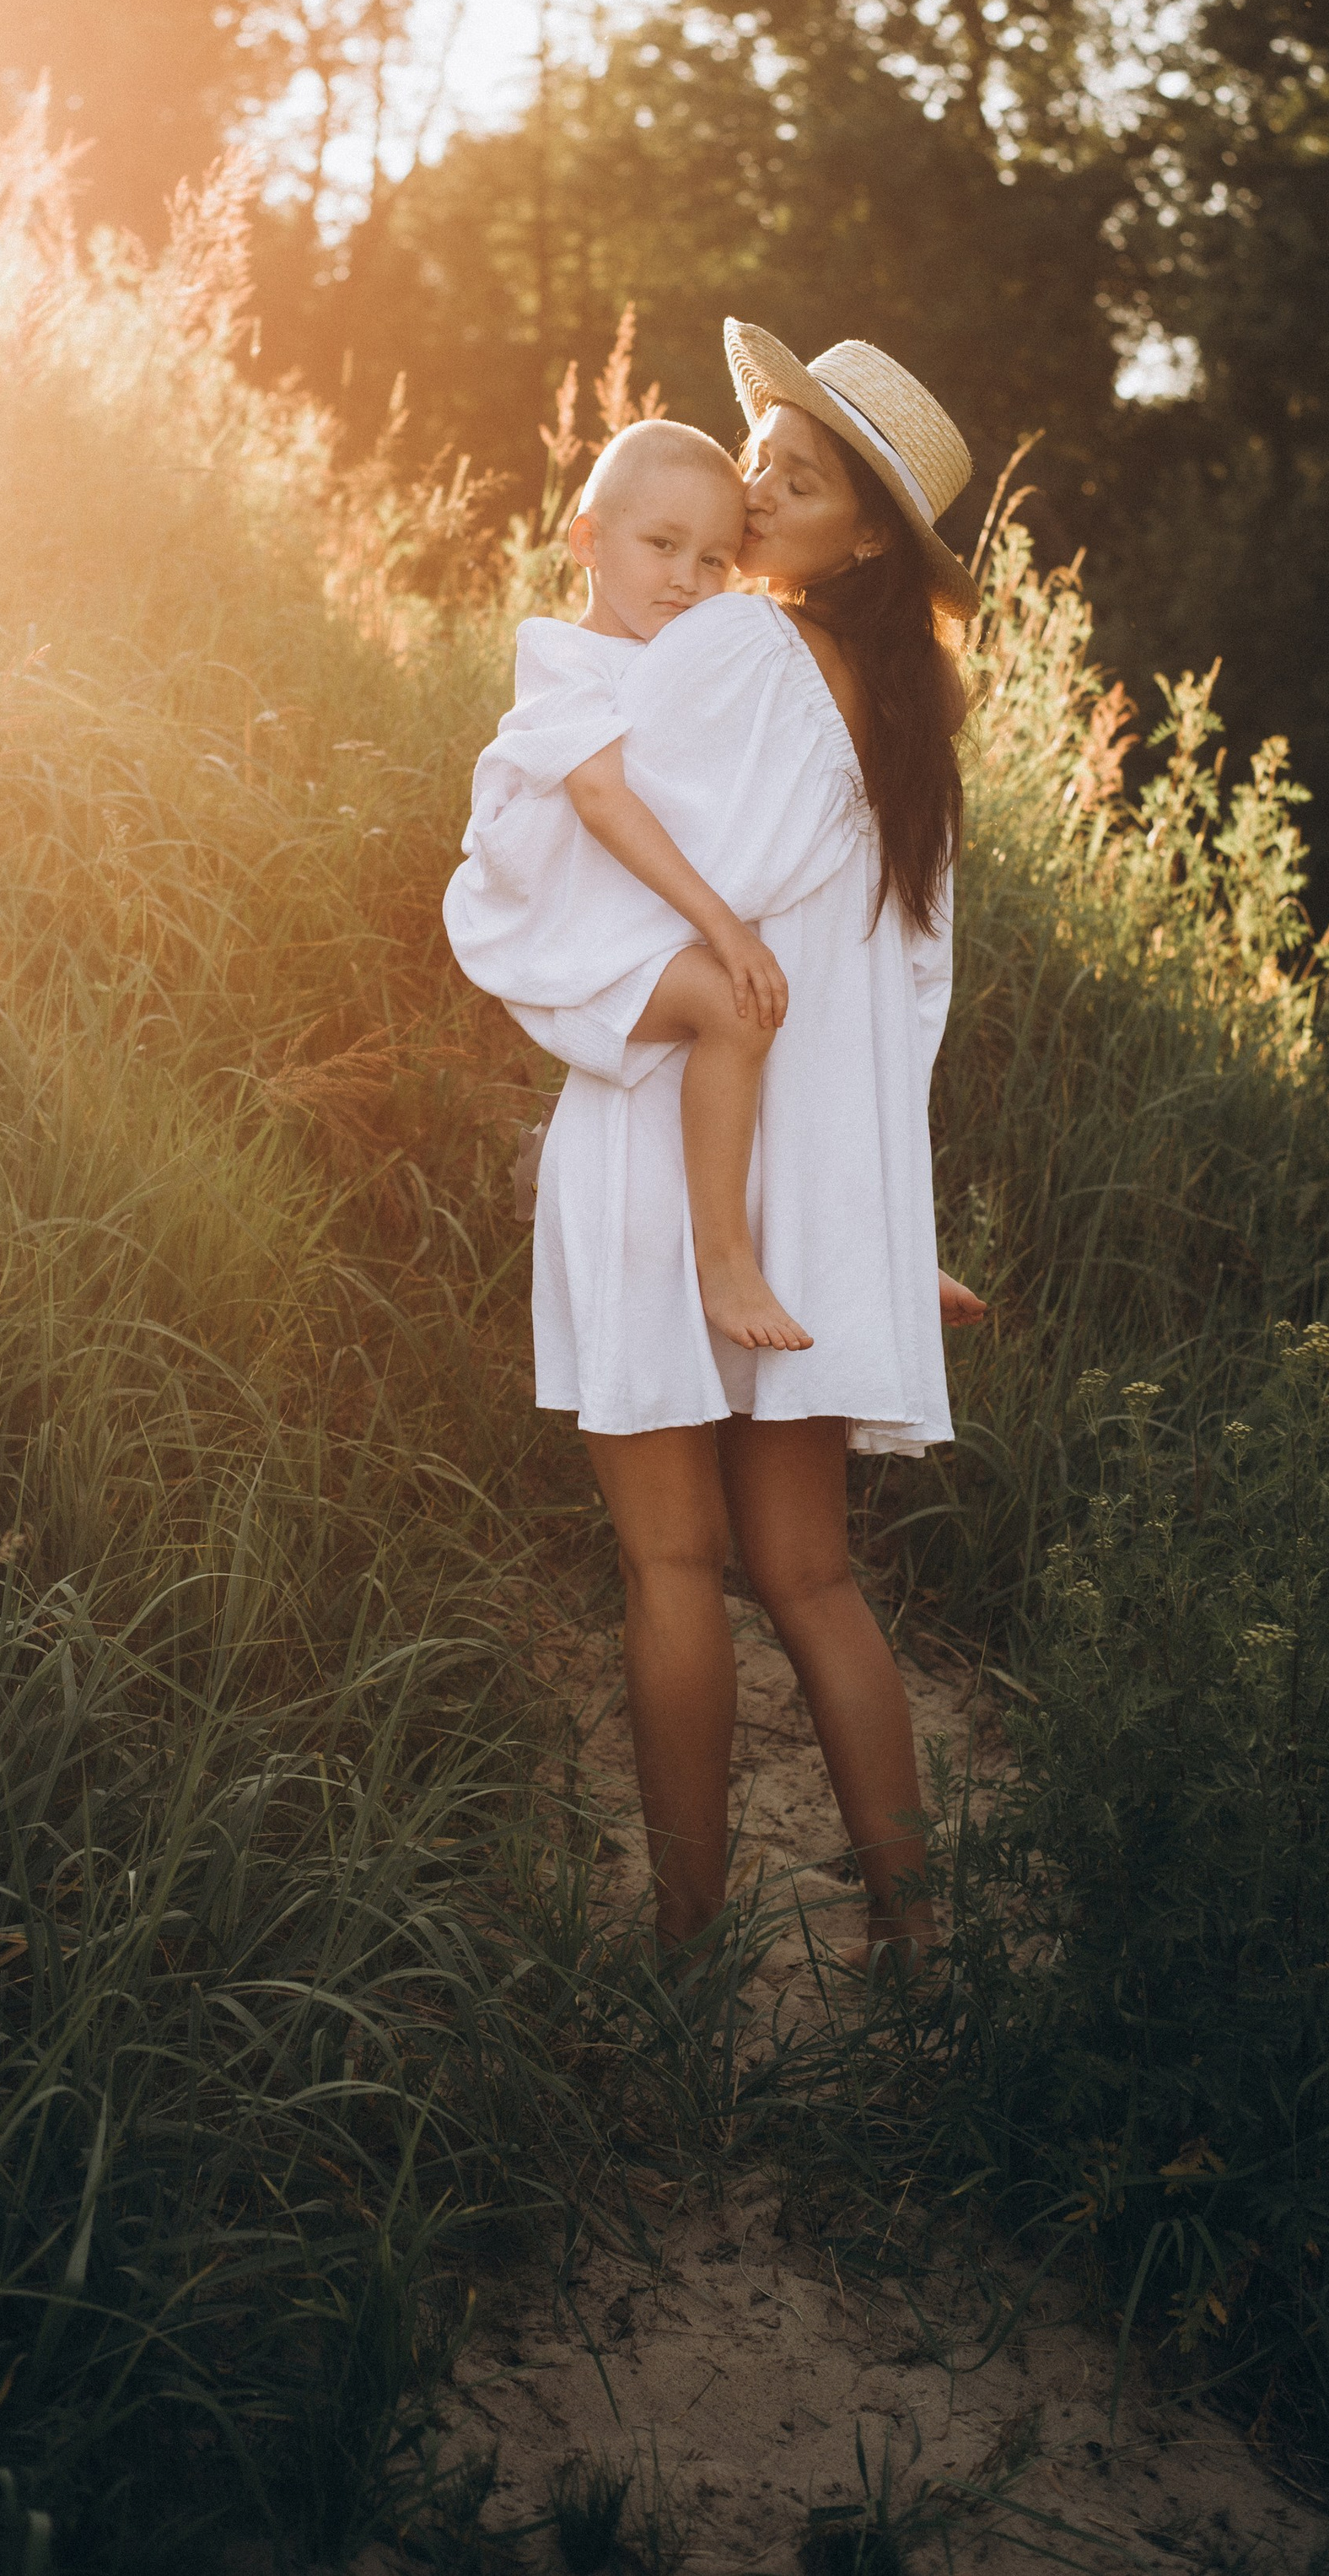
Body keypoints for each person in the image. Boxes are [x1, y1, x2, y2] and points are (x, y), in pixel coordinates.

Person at [522, 322, 989, 1968]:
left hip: (668, 1145)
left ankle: (683, 1954)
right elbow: (899, 1007)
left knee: (671, 1563)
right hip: (810, 1198)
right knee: (812, 1579)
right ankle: (923, 1952)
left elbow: (572, 834)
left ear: (862, 538)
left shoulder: (732, 647)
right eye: (758, 463)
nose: (758, 492)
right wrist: (883, 1229)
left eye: (797, 480)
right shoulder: (909, 734)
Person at [444, 417, 812, 1351]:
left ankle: (874, 1243)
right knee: (738, 1008)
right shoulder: (564, 659)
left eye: (715, 559)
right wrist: (724, 927)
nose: (686, 578)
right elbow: (603, 799)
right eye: (661, 544)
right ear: (587, 541)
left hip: (636, 922)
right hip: (574, 935)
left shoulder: (693, 659)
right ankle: (724, 1262)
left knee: (800, 1008)